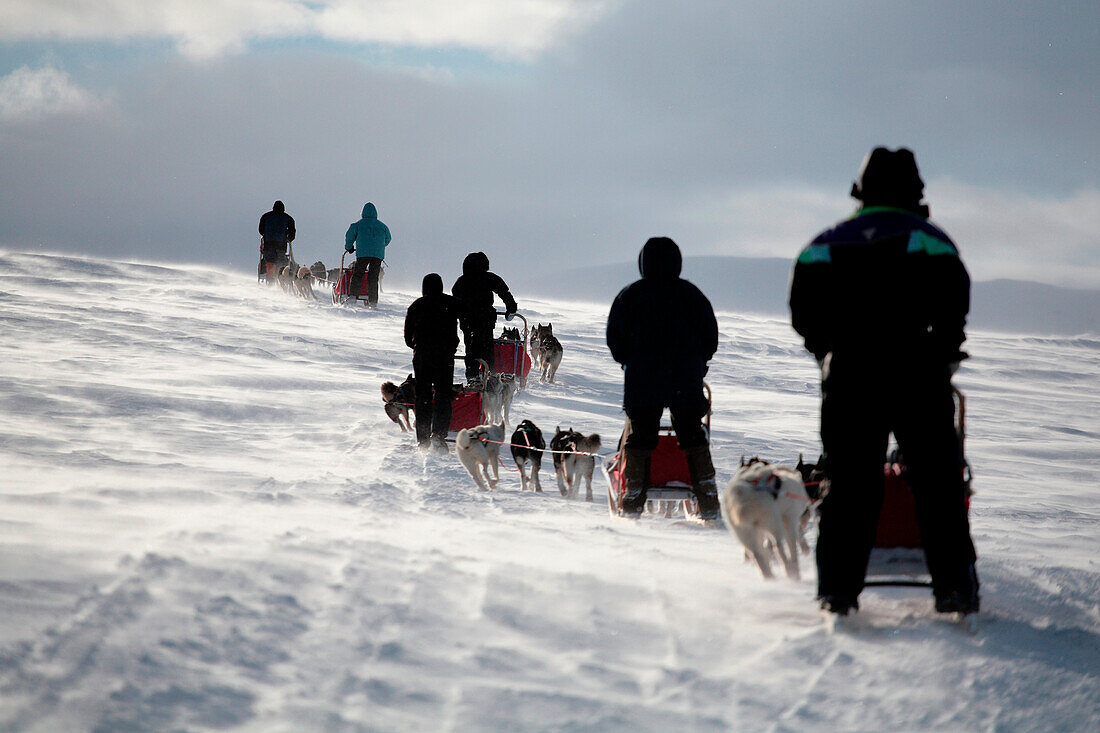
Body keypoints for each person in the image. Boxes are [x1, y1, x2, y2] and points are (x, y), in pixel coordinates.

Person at [789, 146, 979, 617]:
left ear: (860, 189)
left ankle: (837, 590)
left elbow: (803, 311)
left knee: (850, 483)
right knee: (937, 484)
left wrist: (827, 351)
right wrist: (944, 350)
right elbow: (956, 303)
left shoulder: (825, 243)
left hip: (851, 374)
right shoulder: (931, 239)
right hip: (918, 372)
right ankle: (954, 588)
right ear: (916, 190)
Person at [606, 237, 720, 521]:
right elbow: (710, 337)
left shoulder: (630, 295)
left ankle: (632, 498)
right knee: (693, 435)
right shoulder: (692, 295)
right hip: (685, 378)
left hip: (643, 379)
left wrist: (628, 361)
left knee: (640, 438)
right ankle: (707, 500)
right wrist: (698, 364)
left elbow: (615, 338)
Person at [404, 273, 462, 452]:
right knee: (444, 396)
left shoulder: (416, 305)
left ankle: (423, 439)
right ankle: (438, 435)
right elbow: (468, 315)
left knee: (423, 397)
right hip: (445, 356)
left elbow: (407, 336)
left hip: (422, 355)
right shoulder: (451, 303)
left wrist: (416, 344)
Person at [451, 252, 517, 383]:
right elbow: (505, 293)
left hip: (467, 321)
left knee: (470, 351)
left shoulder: (461, 281)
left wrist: (458, 315)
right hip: (485, 320)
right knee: (487, 350)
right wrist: (511, 309)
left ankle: (473, 378)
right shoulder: (489, 278)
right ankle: (490, 376)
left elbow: (454, 299)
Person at [345, 202, 392, 306]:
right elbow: (388, 239)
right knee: (373, 277)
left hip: (363, 254)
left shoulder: (357, 225)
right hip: (377, 255)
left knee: (358, 274)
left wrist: (349, 248)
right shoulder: (383, 226)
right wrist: (380, 246)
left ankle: (353, 297)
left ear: (363, 213)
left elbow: (349, 236)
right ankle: (373, 301)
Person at [258, 201, 295, 282]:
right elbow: (292, 233)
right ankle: (279, 279)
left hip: (268, 244)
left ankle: (270, 280)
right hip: (281, 245)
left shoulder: (266, 216)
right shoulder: (288, 218)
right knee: (280, 262)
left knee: (270, 262)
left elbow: (261, 230)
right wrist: (289, 238)